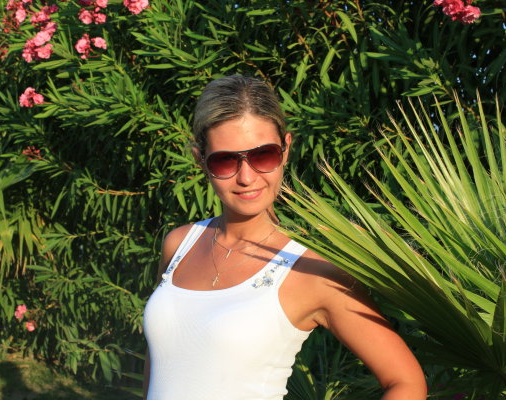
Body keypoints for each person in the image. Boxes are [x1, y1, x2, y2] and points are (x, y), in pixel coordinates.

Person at [142, 75, 427, 400]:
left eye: (263, 155)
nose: (246, 177)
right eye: (225, 160)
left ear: (286, 149)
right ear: (201, 161)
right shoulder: (179, 244)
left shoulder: (312, 270)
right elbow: (162, 364)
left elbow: (406, 382)